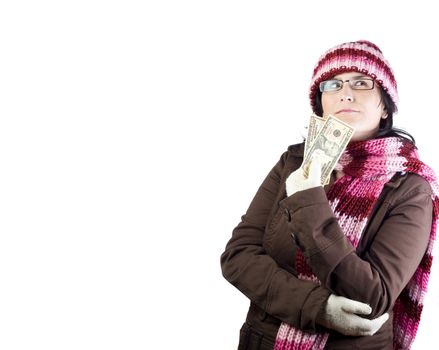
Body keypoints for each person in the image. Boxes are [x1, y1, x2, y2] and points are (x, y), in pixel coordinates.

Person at [220, 40, 439, 349]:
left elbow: (372, 298)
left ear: (385, 105)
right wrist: (317, 307)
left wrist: (308, 200)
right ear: (320, 103)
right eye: (332, 84)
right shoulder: (293, 163)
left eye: (361, 83)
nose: (345, 93)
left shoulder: (410, 187)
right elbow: (238, 256)